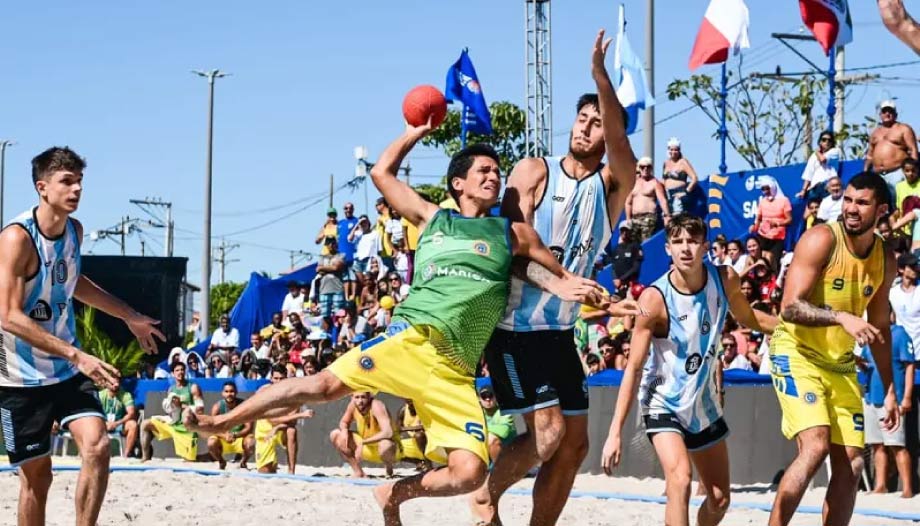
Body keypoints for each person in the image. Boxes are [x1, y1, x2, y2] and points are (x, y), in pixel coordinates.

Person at [185, 106, 604, 526]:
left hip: (454, 370)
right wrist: (413, 132)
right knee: (323, 385)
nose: (494, 176)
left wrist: (576, 289)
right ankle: (224, 421)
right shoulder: (434, 218)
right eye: (483, 170)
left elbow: (559, 274)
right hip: (410, 340)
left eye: (497, 171)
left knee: (469, 472)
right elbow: (382, 174)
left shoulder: (512, 233)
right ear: (458, 183)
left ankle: (393, 493)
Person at [474, 31, 643, 526]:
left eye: (598, 123)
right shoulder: (533, 172)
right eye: (582, 118)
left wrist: (600, 77)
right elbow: (510, 254)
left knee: (574, 447)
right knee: (547, 437)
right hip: (513, 329)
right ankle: (486, 493)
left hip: (560, 331)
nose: (587, 128)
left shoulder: (613, 184)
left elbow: (618, 142)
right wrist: (560, 282)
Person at [0, 147, 165, 526]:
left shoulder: (73, 230)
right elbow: (8, 316)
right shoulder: (16, 239)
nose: (76, 189)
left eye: (79, 182)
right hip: (19, 376)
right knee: (36, 480)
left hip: (64, 369)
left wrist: (131, 316)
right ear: (43, 188)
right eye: (67, 181)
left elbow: (74, 283)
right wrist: (80, 356)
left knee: (97, 446)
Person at [601, 214, 776, 526]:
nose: (685, 248)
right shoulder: (653, 300)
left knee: (720, 499)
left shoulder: (725, 279)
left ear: (705, 247)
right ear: (667, 248)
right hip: (662, 401)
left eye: (692, 241)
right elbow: (634, 369)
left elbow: (749, 319)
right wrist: (614, 432)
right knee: (680, 480)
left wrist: (791, 328)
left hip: (702, 403)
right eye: (678, 241)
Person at [767, 172, 900, 526]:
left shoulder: (886, 259)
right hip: (795, 351)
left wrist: (889, 389)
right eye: (849, 200)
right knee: (815, 447)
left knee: (854, 463)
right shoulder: (822, 238)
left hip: (838, 363)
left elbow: (881, 328)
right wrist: (841, 317)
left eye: (862, 202)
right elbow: (790, 307)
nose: (852, 208)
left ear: (882, 209)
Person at [857, 309, 915, 498]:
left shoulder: (900, 334)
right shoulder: (871, 336)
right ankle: (880, 485)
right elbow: (867, 362)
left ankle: (907, 488)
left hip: (893, 398)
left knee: (897, 445)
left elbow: (909, 366)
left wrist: (906, 396)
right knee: (877, 445)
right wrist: (859, 362)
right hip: (871, 396)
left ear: (890, 313)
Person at [253, 365, 314, 474]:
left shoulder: (293, 395)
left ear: (286, 379)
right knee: (265, 472)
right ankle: (271, 464)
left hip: (280, 430)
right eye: (276, 378)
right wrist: (301, 415)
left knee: (292, 431)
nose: (279, 381)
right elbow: (272, 420)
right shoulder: (264, 392)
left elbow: (292, 422)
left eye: (281, 378)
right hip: (264, 433)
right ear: (271, 379)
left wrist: (277, 427)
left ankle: (291, 471)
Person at [140, 361, 204, 462]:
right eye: (177, 370)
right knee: (145, 424)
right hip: (173, 423)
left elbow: (200, 409)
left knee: (190, 460)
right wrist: (170, 408)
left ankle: (208, 456)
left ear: (185, 372)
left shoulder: (193, 387)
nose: (180, 372)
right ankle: (145, 456)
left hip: (186, 427)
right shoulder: (171, 389)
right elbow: (170, 410)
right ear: (173, 374)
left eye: (182, 370)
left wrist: (181, 406)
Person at [330, 391, 399, 478]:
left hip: (389, 450)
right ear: (352, 398)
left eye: (363, 397)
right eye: (357, 397)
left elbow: (388, 432)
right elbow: (344, 422)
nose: (360, 401)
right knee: (335, 434)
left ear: (370, 397)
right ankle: (358, 472)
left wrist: (363, 442)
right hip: (365, 446)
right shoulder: (353, 405)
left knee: (386, 444)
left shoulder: (377, 406)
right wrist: (344, 431)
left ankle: (389, 467)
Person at [865, 100, 918, 205]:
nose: (887, 114)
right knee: (878, 204)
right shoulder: (875, 132)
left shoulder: (903, 129)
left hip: (897, 172)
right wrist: (865, 172)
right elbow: (869, 155)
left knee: (898, 203)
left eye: (890, 111)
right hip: (877, 174)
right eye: (885, 111)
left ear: (896, 114)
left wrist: (914, 169)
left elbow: (913, 149)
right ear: (880, 114)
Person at [207, 382, 255, 470]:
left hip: (239, 438)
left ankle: (243, 462)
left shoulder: (244, 406)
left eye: (232, 391)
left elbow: (249, 427)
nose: (229, 394)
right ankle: (221, 461)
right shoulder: (217, 407)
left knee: (251, 442)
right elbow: (212, 428)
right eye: (226, 391)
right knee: (211, 443)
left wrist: (235, 435)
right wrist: (224, 435)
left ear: (236, 392)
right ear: (222, 393)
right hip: (223, 438)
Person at [749, 180, 792, 269]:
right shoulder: (762, 201)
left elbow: (789, 219)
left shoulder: (784, 200)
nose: (765, 192)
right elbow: (758, 218)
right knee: (760, 260)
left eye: (767, 189)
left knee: (773, 262)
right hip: (762, 236)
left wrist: (778, 223)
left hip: (777, 238)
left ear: (772, 188)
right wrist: (754, 226)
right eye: (763, 189)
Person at [626, 156, 670, 242]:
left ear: (651, 168)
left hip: (648, 217)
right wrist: (628, 218)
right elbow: (628, 202)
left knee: (645, 241)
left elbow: (662, 200)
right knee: (633, 244)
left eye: (648, 167)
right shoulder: (633, 183)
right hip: (635, 218)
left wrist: (667, 215)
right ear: (639, 168)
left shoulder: (655, 183)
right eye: (642, 167)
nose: (645, 169)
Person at [98, 376, 140, 458]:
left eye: (117, 382)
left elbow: (131, 413)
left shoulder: (125, 395)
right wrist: (104, 423)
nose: (115, 385)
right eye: (112, 383)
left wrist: (117, 423)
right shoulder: (100, 395)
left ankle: (126, 454)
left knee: (133, 425)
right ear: (106, 383)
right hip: (103, 422)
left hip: (119, 423)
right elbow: (95, 412)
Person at [889, 253, 920, 361]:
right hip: (902, 354)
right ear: (901, 269)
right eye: (911, 266)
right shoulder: (892, 293)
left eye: (916, 265)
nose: (915, 269)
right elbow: (892, 318)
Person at [797, 131, 840, 201]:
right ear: (820, 142)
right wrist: (803, 190)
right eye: (824, 140)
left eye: (829, 140)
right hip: (814, 188)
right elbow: (808, 174)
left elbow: (822, 160)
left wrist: (816, 151)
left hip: (827, 186)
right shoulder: (813, 156)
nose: (827, 142)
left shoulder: (834, 151)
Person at [478, 385, 516, 463]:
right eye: (484, 396)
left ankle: (502, 471)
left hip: (512, 449)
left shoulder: (505, 409)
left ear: (496, 397)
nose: (488, 399)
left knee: (492, 439)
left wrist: (482, 429)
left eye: (490, 395)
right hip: (488, 453)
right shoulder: (476, 412)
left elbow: (504, 431)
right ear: (479, 399)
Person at [662, 137, 699, 215]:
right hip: (667, 194)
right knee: (667, 218)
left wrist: (686, 192)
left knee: (677, 218)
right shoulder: (666, 163)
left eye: (676, 150)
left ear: (679, 150)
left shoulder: (683, 162)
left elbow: (694, 178)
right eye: (671, 149)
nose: (673, 152)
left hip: (678, 193)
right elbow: (663, 180)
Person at [396, 400, 429, 470]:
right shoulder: (403, 410)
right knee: (391, 445)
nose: (410, 403)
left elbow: (426, 427)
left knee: (419, 435)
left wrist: (408, 428)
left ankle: (428, 463)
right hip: (414, 442)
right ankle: (418, 462)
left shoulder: (424, 408)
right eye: (408, 402)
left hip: (429, 441)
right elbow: (398, 429)